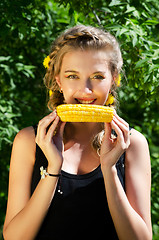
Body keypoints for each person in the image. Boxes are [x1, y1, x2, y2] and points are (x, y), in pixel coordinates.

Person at [3, 25, 152, 240]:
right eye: (73, 76)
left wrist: (109, 168)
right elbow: (14, 237)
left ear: (113, 80)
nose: (86, 90)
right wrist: (53, 168)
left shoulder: (132, 143)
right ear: (58, 81)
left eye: (98, 76)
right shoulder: (28, 141)